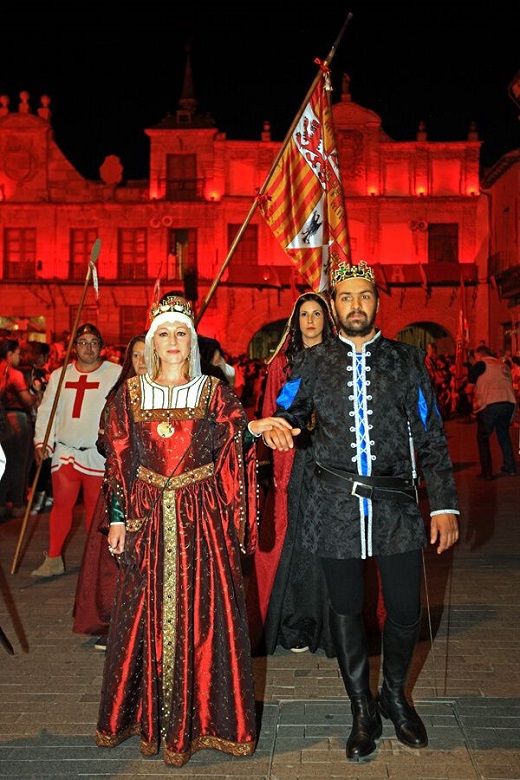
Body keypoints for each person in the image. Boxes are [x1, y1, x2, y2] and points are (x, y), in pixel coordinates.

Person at [259, 260, 460, 762]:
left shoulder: (407, 361)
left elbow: (431, 435)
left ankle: (393, 694)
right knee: (347, 608)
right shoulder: (310, 363)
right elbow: (290, 408)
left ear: (376, 301)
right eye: (345, 298)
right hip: (336, 508)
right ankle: (361, 709)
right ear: (335, 306)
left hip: (396, 508)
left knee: (406, 609)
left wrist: (445, 506)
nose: (355, 306)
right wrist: (280, 425)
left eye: (364, 296)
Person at [94, 295, 285, 766]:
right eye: (164, 333)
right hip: (148, 520)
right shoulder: (130, 396)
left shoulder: (214, 393)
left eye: (181, 332)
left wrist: (255, 428)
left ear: (192, 341)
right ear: (151, 342)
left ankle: (206, 720)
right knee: (142, 617)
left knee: (206, 617)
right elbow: (118, 463)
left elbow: (233, 439)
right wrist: (118, 517)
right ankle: (146, 719)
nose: (173, 341)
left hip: (201, 522)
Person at [247, 291, 337, 656]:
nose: (310, 320)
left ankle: (328, 626)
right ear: (295, 321)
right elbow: (272, 413)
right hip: (295, 461)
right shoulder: (281, 365)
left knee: (328, 542)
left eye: (317, 313)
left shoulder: (341, 360)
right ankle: (291, 624)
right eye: (304, 314)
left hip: (332, 462)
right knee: (295, 541)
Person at [72, 333, 148, 650]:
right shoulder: (119, 395)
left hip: (158, 491)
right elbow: (106, 443)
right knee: (114, 561)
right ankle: (116, 622)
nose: (143, 361)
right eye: (137, 355)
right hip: (121, 489)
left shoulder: (172, 392)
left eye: (149, 355)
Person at [31, 324, 122, 577]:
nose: (88, 348)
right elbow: (48, 411)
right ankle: (53, 558)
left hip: (96, 454)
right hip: (66, 450)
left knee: (95, 511)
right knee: (61, 505)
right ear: (75, 347)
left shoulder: (114, 373)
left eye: (94, 342)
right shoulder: (60, 375)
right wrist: (43, 441)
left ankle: (96, 562)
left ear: (101, 346)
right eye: (83, 342)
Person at [464, 344, 518, 479]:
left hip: (491, 404)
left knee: (483, 436)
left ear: (479, 355)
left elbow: (468, 390)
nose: (474, 360)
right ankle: (510, 467)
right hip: (509, 403)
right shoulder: (503, 365)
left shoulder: (480, 365)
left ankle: (487, 472)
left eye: (475, 357)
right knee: (503, 435)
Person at [0, 337, 37, 520]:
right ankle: (17, 503)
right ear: (9, 354)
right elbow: (26, 401)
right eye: (17, 353)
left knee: (2, 463)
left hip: (1, 419)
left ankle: (1, 502)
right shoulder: (13, 374)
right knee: (18, 463)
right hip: (15, 419)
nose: (20, 356)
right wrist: (36, 396)